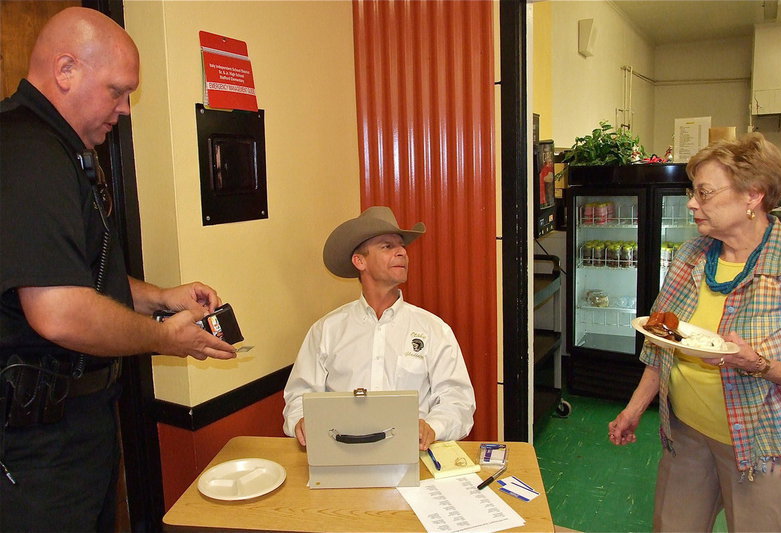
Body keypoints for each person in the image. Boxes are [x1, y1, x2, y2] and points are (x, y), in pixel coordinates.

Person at [0, 8, 237, 532]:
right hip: (32, 449)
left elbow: (82, 276)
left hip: (78, 427)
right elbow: (59, 312)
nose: (125, 110)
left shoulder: (65, 153)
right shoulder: (25, 152)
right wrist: (164, 340)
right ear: (66, 71)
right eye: (117, 91)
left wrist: (160, 299)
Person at [609, 133, 781, 532]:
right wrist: (634, 408)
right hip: (686, 435)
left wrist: (760, 365)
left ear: (753, 196)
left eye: (705, 193)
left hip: (761, 447)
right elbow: (662, 343)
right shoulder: (690, 255)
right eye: (692, 192)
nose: (692, 203)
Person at [283, 206, 475, 451]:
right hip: (340, 452)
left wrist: (433, 426)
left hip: (413, 454)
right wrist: (301, 421)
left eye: (402, 246)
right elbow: (300, 396)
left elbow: (458, 400)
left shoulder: (434, 330)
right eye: (387, 246)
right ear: (359, 261)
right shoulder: (327, 330)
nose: (402, 253)